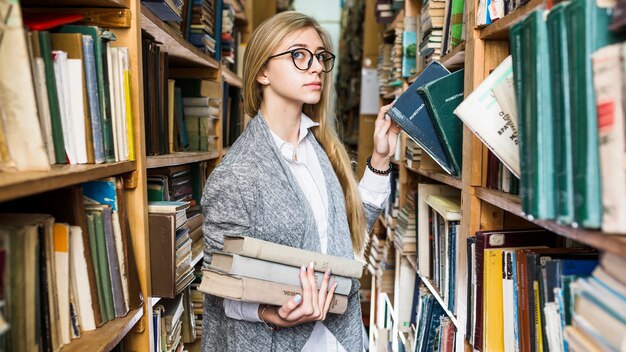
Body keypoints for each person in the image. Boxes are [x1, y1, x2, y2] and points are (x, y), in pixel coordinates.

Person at [201, 11, 400, 352]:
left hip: (340, 339)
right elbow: (221, 288)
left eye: (321, 56)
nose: (317, 67)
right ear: (263, 71)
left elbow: (346, 237)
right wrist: (269, 313)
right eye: (299, 55)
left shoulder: (321, 149)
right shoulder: (236, 175)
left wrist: (381, 159)